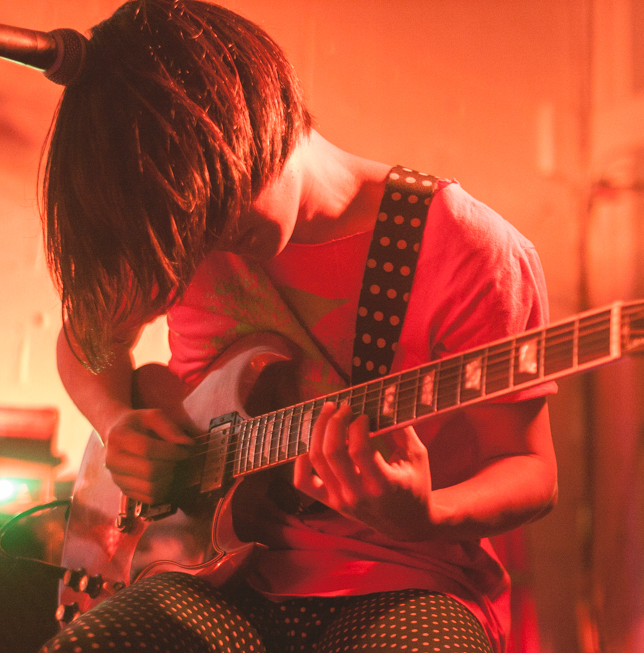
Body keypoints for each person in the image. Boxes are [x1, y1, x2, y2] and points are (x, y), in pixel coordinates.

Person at [40, 1, 558, 652]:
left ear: (260, 114)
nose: (212, 241)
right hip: (202, 569)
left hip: (406, 577)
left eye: (221, 208)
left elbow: (530, 468)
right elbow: (85, 342)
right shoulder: (178, 225)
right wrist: (116, 420)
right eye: (193, 230)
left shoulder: (466, 246)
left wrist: (427, 512)